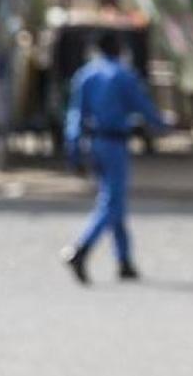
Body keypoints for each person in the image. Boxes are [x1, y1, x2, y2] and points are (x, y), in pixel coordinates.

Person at [61, 30, 168, 284]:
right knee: (112, 202)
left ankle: (124, 261)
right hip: (115, 144)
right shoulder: (122, 76)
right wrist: (163, 126)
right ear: (119, 49)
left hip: (93, 143)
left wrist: (73, 149)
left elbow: (75, 115)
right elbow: (144, 107)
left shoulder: (85, 75)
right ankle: (81, 249)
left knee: (114, 201)